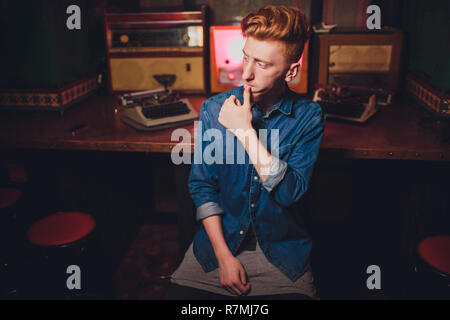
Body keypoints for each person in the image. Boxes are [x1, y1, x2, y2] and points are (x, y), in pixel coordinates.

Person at [166, 5, 325, 300]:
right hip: (217, 248)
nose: (247, 73)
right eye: (246, 57)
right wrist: (224, 258)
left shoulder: (309, 117)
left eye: (263, 64)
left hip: (282, 254)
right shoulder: (215, 109)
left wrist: (244, 132)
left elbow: (290, 193)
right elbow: (202, 188)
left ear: (291, 71)